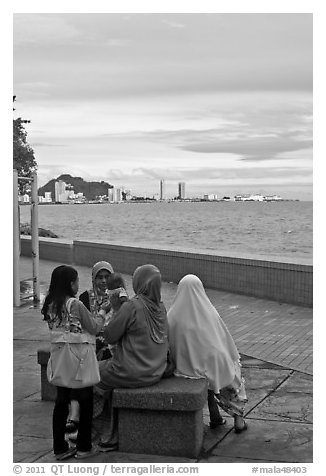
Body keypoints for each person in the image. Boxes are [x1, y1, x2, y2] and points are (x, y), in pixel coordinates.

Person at [93, 264, 169, 451]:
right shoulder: (161, 307)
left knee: (88, 373)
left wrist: (115, 308)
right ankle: (112, 432)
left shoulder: (132, 306)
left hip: (129, 371)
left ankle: (94, 430)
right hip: (156, 371)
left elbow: (110, 335)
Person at [41, 265, 107, 460]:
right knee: (85, 397)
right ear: (71, 283)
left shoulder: (50, 303)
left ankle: (59, 448)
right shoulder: (75, 304)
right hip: (78, 359)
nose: (79, 284)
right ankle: (84, 447)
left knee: (61, 400)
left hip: (60, 358)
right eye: (77, 280)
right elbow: (94, 327)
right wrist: (103, 311)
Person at [167, 274, 248, 433]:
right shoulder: (210, 312)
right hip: (213, 367)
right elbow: (224, 340)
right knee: (232, 371)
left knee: (206, 373)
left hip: (185, 370)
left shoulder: (172, 315)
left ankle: (215, 416)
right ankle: (238, 420)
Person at [66, 261, 114, 435]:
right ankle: (74, 415)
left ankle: (78, 417)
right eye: (99, 277)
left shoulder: (118, 298)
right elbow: (81, 327)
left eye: (107, 277)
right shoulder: (85, 297)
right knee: (79, 369)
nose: (103, 281)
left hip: (111, 347)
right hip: (89, 345)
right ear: (93, 279)